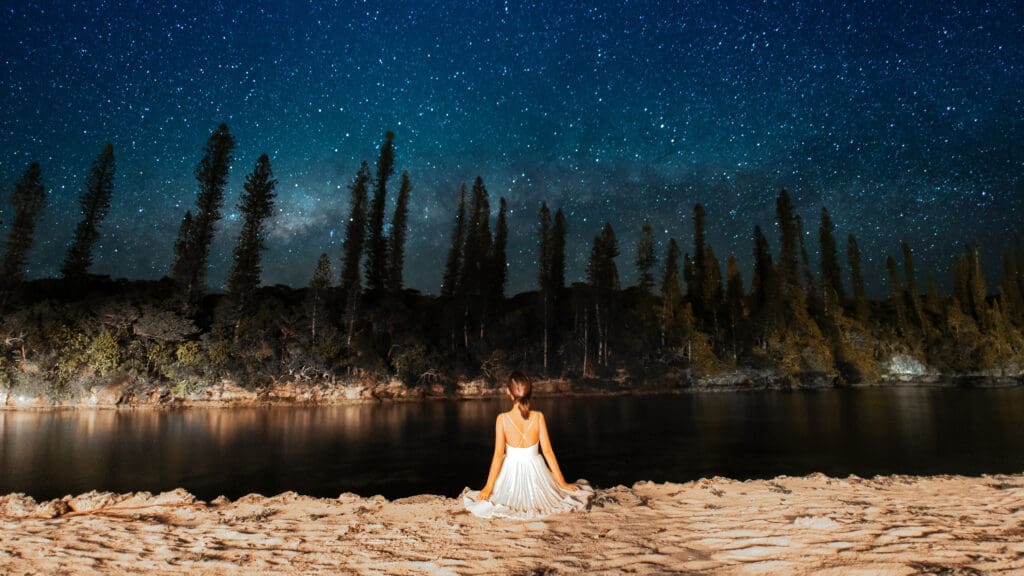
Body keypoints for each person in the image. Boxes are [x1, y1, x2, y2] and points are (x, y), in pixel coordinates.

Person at [462, 371, 593, 519]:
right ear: (530, 392)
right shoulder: (538, 417)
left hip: (510, 472)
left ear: (508, 392)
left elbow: (498, 455)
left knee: (494, 499)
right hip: (537, 473)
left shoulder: (502, 419)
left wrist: (488, 487)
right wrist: (562, 483)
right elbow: (548, 452)